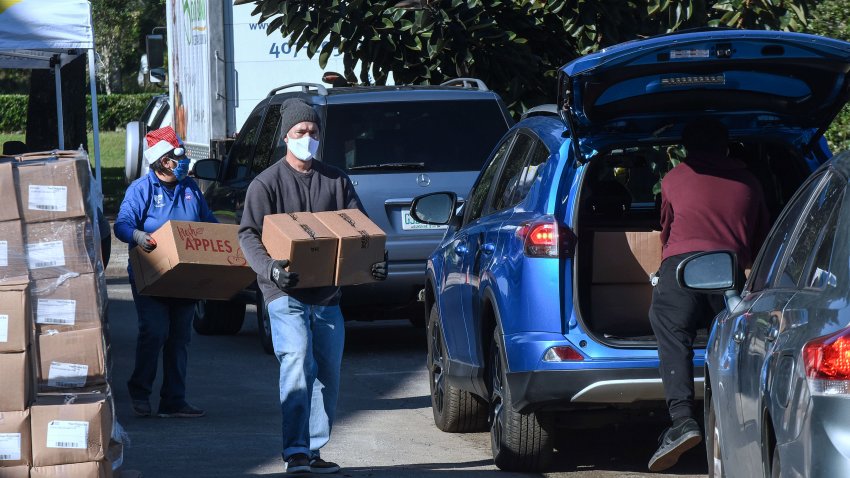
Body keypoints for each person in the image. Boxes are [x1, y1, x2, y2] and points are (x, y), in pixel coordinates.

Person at [238, 98, 388, 475]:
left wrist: (372, 264)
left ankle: (315, 450)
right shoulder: (266, 184)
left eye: (313, 132)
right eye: (300, 132)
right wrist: (271, 270)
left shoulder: (336, 180)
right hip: (284, 294)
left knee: (327, 375)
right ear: (286, 136)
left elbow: (360, 230)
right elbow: (248, 235)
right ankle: (296, 453)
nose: (307, 138)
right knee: (297, 361)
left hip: (327, 295)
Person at [647, 119, 770, 472]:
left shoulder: (672, 180)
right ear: (725, 146)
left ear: (687, 149)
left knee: (670, 328)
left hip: (682, 268)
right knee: (738, 338)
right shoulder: (749, 182)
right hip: (730, 273)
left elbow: (666, 230)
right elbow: (761, 239)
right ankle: (739, 418)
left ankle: (682, 421)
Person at [114, 125, 216, 419]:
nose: (183, 162)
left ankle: (174, 399)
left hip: (185, 275)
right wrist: (137, 237)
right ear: (162, 161)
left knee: (180, 337)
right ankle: (140, 391)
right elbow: (122, 224)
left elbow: (206, 221)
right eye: (177, 156)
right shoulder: (141, 189)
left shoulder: (190, 188)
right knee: (155, 331)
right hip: (152, 271)